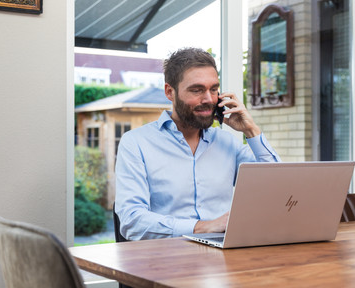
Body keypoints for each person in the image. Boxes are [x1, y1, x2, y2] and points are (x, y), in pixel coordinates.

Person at [115, 47, 280, 240]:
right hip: (166, 259)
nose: (209, 99)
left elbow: (277, 190)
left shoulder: (227, 142)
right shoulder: (136, 143)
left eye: (214, 89)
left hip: (226, 258)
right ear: (170, 92)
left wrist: (251, 131)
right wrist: (203, 227)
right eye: (197, 90)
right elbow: (132, 222)